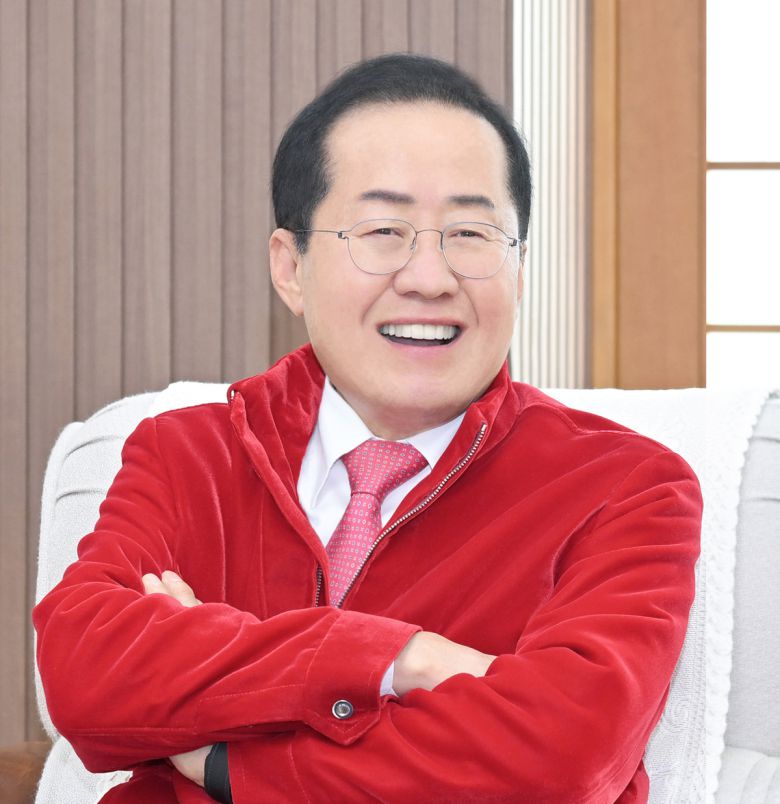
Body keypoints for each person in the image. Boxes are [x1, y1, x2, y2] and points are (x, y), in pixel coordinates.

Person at [33, 54, 702, 803]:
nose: (429, 278)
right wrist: (403, 659)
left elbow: (563, 758)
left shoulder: (627, 488)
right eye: (383, 230)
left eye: (471, 233)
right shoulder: (187, 452)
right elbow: (84, 677)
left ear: (520, 269)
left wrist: (223, 761)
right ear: (291, 268)